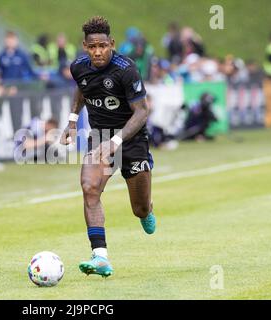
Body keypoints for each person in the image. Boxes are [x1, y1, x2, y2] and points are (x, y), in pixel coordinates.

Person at [60, 16, 156, 278]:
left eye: (103, 46)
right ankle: (100, 255)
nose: (98, 52)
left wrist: (116, 143)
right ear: (85, 47)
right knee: (90, 187)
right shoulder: (78, 67)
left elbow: (141, 112)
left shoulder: (126, 69)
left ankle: (147, 207)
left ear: (112, 44)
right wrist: (71, 120)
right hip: (100, 137)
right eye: (92, 47)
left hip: (132, 139)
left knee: (140, 209)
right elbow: (82, 89)